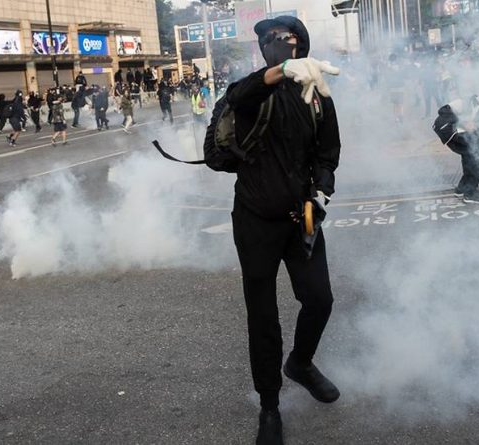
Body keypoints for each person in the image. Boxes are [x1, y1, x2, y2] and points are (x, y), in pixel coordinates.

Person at [203, 16, 341, 445]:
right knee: (263, 318)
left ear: (303, 44)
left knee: (319, 300)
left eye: (288, 38)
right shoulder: (248, 91)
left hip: (301, 217)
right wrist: (277, 73)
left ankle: (300, 363)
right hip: (255, 219)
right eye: (269, 40)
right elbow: (239, 96)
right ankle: (269, 406)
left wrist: (322, 189)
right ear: (262, 49)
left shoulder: (316, 94)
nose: (279, 43)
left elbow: (329, 148)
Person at [432, 95, 479, 205]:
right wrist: (463, 123)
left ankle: (463, 188)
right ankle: (470, 193)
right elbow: (442, 111)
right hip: (448, 130)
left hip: (460, 134)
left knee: (470, 155)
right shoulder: (468, 101)